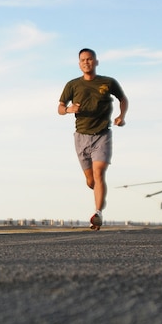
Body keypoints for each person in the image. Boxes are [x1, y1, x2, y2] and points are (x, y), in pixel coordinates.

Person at [58, 48, 128, 229]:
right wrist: (68, 109)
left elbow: (123, 99)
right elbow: (59, 108)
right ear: (79, 64)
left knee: (99, 174)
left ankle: (98, 213)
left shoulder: (108, 82)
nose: (86, 62)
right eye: (82, 60)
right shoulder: (72, 85)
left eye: (89, 59)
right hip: (81, 136)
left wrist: (121, 116)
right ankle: (96, 191)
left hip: (102, 135)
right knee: (90, 180)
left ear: (96, 62)